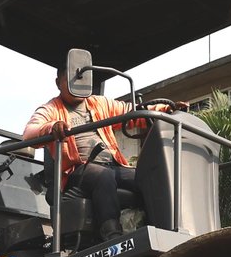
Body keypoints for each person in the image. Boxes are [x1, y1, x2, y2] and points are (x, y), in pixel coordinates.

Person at [23, 66, 182, 241]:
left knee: (147, 177)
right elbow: (29, 133)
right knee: (103, 176)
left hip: (113, 165)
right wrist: (52, 127)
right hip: (79, 170)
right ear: (58, 83)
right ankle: (112, 234)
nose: (77, 83)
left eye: (81, 79)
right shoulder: (51, 109)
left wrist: (165, 110)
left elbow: (132, 112)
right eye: (69, 79)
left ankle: (162, 229)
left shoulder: (99, 103)